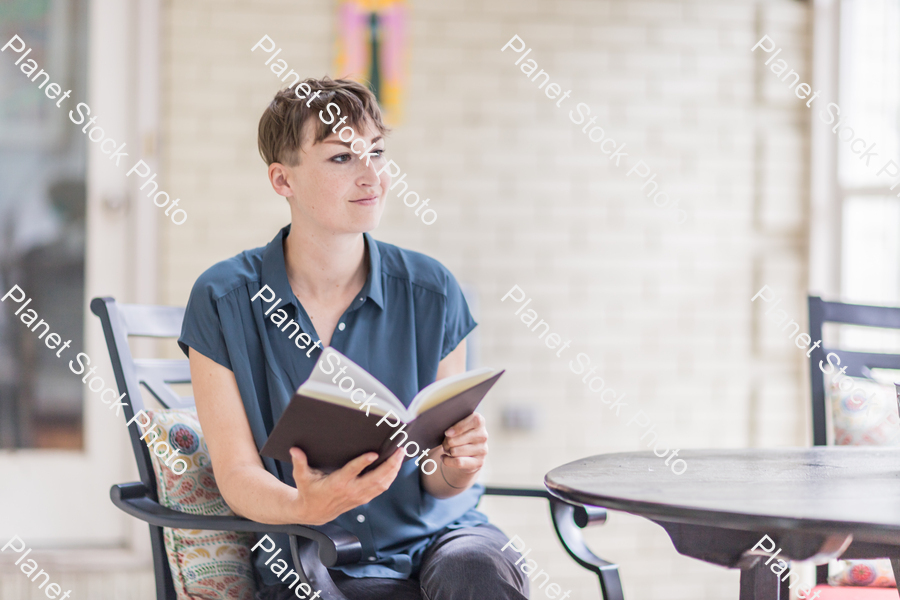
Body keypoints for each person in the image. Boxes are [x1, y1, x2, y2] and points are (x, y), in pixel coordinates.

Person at [178, 77, 529, 600]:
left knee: (478, 571)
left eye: (378, 153)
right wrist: (304, 507)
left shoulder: (433, 292)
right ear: (282, 180)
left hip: (442, 538)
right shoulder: (224, 299)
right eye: (342, 158)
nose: (373, 177)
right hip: (310, 549)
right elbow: (237, 472)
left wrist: (456, 467)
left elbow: (437, 480)